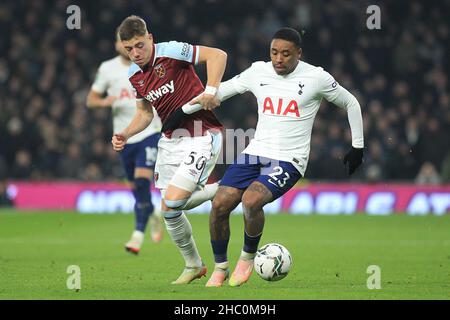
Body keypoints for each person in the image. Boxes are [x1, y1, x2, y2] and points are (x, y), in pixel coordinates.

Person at [167, 27, 364, 287]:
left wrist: (357, 146)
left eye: (286, 54)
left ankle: (247, 258)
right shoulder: (258, 71)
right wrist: (182, 111)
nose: (278, 59)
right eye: (274, 52)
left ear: (299, 54)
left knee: (251, 200)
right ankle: (220, 267)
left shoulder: (316, 77)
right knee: (220, 204)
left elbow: (351, 102)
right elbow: (219, 92)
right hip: (255, 152)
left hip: (289, 159)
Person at [111, 15, 227, 284]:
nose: (135, 53)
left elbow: (218, 55)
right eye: (129, 49)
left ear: (150, 38)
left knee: (173, 201)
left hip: (201, 133)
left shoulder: (172, 51)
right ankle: (194, 265)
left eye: (140, 45)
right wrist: (125, 134)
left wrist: (211, 90)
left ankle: (225, 189)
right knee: (169, 210)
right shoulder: (134, 75)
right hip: (170, 140)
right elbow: (145, 114)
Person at [87, 30, 164, 254]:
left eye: (133, 44)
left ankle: (137, 235)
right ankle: (152, 213)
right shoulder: (107, 69)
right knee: (136, 189)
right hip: (124, 137)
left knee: (141, 182)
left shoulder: (149, 64)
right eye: (124, 44)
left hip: (150, 131)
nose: (129, 48)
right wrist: (105, 102)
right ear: (117, 45)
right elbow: (90, 100)